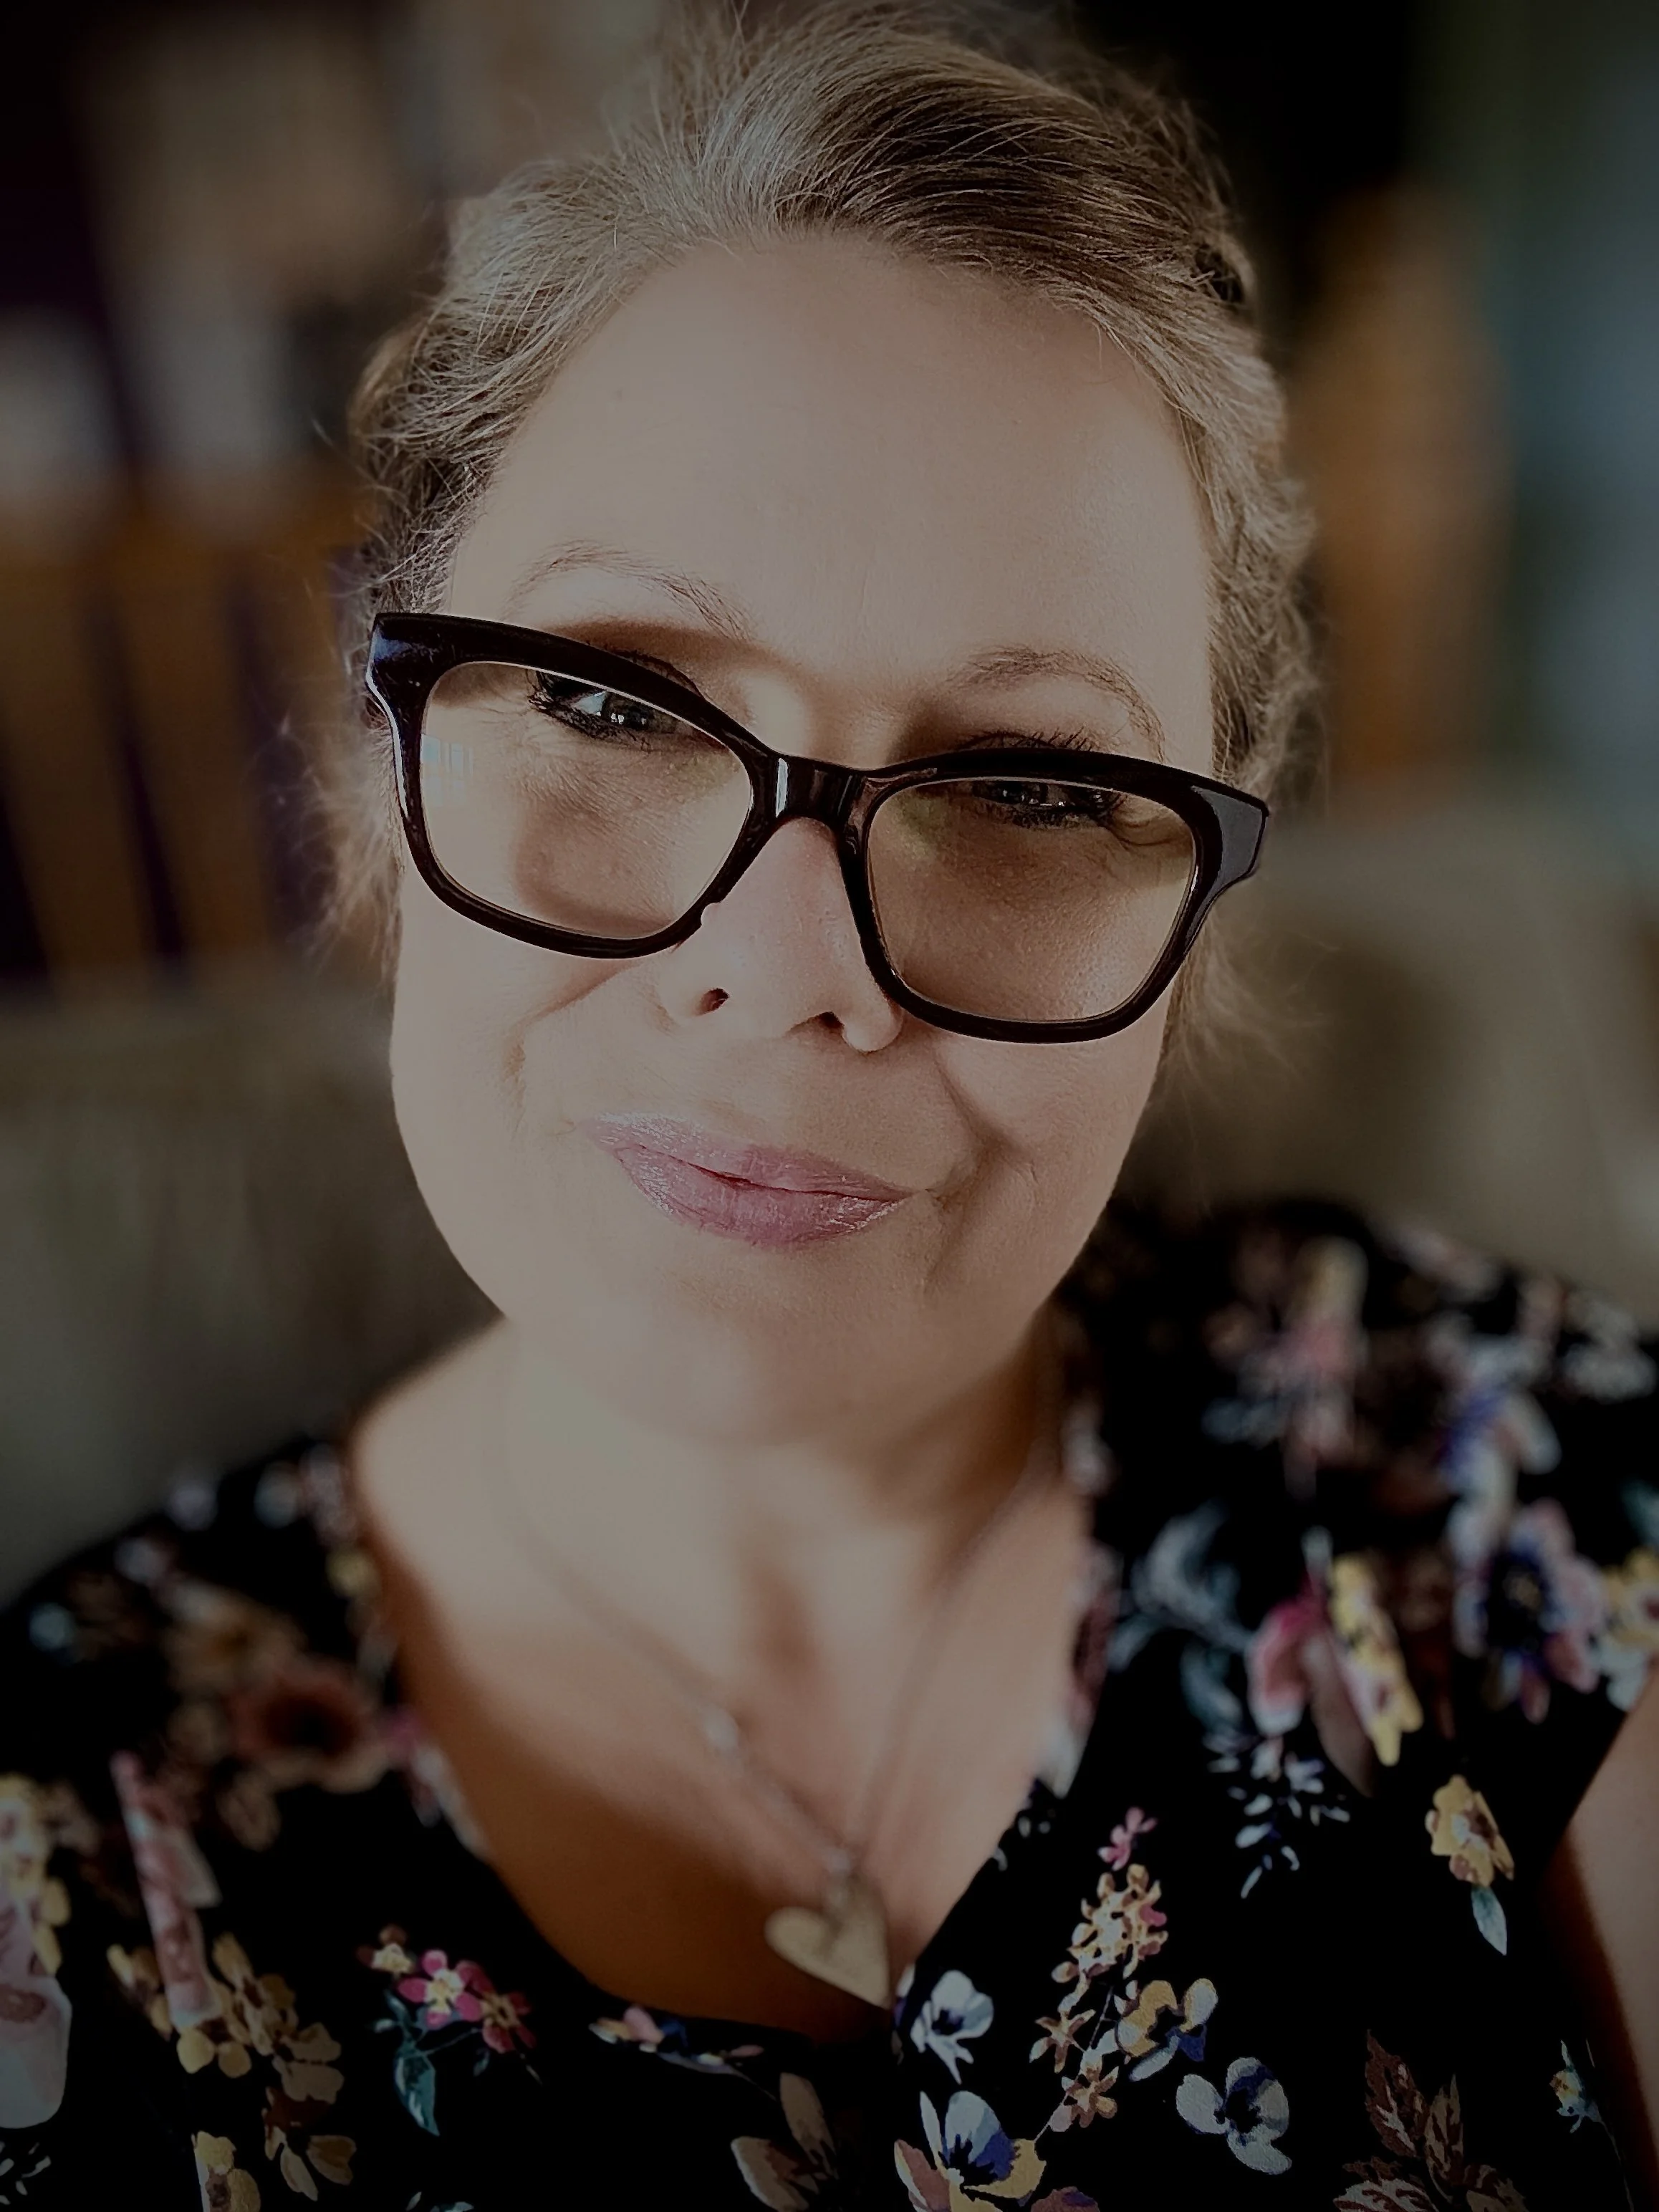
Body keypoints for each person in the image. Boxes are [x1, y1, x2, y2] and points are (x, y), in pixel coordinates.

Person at [2, 7, 1655, 2206]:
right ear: (373, 780)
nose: (787, 975)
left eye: (1036, 789)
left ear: (1198, 944)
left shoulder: (1501, 1500)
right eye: (611, 698)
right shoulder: (59, 1838)